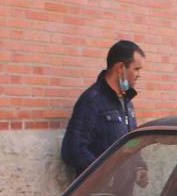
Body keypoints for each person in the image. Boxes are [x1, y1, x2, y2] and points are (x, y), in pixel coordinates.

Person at [61, 40, 146, 177]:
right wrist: (102, 176)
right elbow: (73, 150)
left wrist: (140, 167)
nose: (139, 74)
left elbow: (131, 141)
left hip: (123, 193)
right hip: (97, 195)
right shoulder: (92, 101)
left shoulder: (127, 102)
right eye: (136, 69)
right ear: (120, 68)